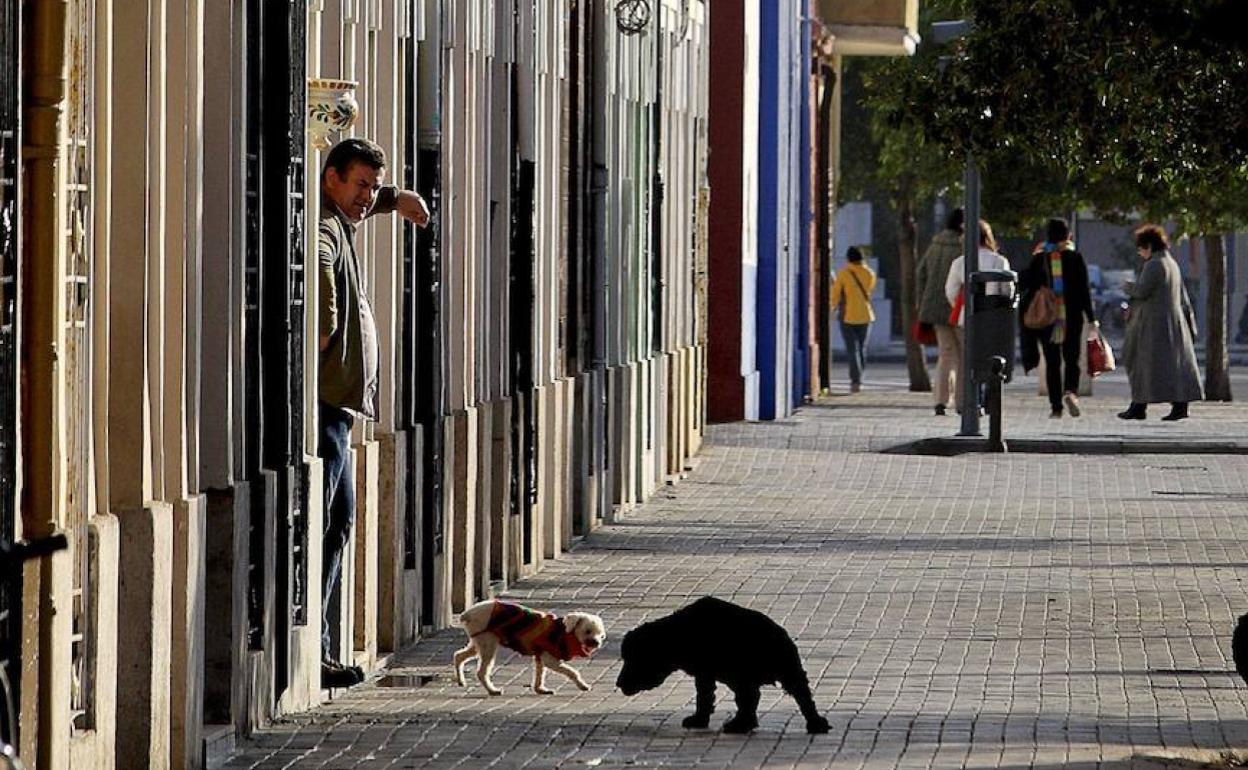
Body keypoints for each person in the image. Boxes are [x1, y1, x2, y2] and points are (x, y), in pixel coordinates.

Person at [318, 138, 430, 687]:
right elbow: (317, 265)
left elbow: (364, 202)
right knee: (328, 520)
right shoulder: (325, 228)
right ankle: (315, 641)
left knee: (338, 519)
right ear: (331, 178)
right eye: (358, 184)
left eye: (371, 185)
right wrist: (325, 325)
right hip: (325, 406)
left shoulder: (343, 218)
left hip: (338, 406)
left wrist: (395, 197)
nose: (365, 195)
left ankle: (321, 641)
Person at [1117, 224, 1203, 420]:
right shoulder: (1171, 263)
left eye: (1140, 248)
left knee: (1142, 365)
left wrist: (1126, 286)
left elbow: (1142, 290)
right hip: (1172, 323)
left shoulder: (1154, 264)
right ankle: (1175, 405)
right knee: (1173, 368)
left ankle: (1139, 406)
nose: (1140, 253)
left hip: (1154, 326)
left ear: (1148, 245)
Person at [1019, 218, 1095, 419]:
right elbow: (1084, 291)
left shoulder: (1039, 259)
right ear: (1068, 236)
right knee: (1072, 358)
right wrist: (1092, 317)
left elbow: (1027, 286)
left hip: (1047, 318)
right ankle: (1070, 392)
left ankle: (1056, 408)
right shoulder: (1075, 258)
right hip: (1072, 317)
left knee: (1052, 362)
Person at [945, 220, 1015, 409]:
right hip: (993, 318)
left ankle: (965, 402)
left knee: (966, 360)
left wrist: (962, 307)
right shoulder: (999, 260)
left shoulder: (959, 262)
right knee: (991, 360)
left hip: (966, 318)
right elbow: (1007, 290)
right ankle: (989, 400)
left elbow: (951, 290)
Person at [916, 208, 965, 415]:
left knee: (945, 355)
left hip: (934, 308)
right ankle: (963, 402)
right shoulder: (964, 247)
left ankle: (940, 401)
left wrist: (923, 300)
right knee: (964, 355)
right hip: (958, 308)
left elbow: (920, 273)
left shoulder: (935, 245)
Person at [830, 246, 877, 393]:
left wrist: (832, 308)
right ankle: (859, 377)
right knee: (862, 349)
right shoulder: (870, 273)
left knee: (852, 349)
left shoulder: (844, 274)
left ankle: (855, 380)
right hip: (866, 315)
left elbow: (836, 294)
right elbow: (869, 290)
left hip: (848, 316)